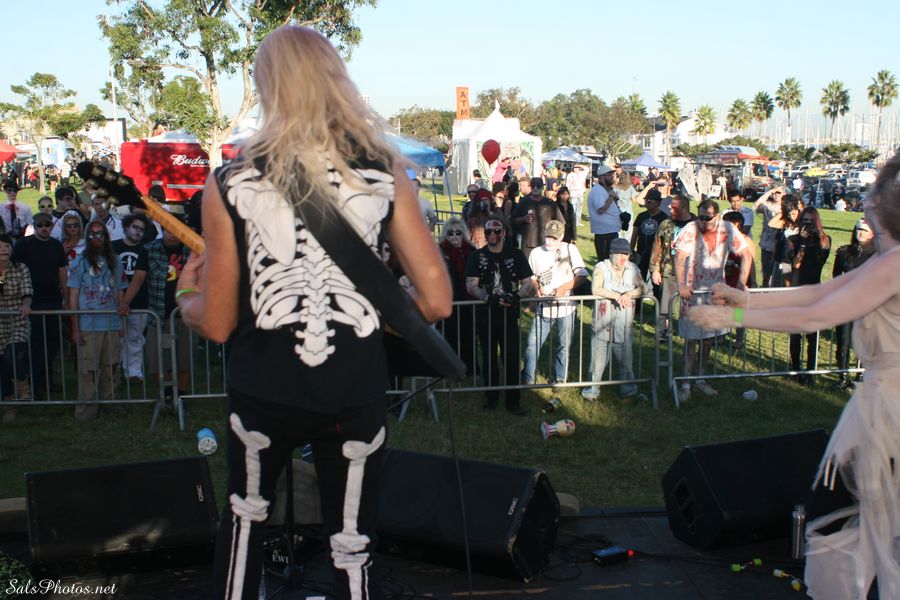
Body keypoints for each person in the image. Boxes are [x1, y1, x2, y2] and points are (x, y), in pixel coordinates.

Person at [173, 26, 451, 600]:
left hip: (262, 392)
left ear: (267, 87)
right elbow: (436, 301)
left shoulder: (230, 183)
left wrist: (184, 298)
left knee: (246, 518)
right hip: (354, 392)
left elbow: (217, 322)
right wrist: (373, 310)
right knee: (353, 540)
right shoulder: (384, 174)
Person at [689, 152, 900, 600]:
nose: (865, 198)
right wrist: (746, 298)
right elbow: (819, 293)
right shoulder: (887, 260)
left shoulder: (894, 263)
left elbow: (816, 316)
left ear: (883, 204)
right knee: (854, 519)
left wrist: (732, 318)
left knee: (839, 520)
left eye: (872, 191)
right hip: (881, 402)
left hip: (891, 408)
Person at [674, 199, 751, 400]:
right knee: (691, 340)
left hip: (715, 294)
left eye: (707, 218)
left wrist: (741, 283)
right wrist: (681, 284)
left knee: (708, 341)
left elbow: (746, 254)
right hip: (692, 294)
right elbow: (679, 257)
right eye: (700, 217)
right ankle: (686, 383)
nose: (703, 221)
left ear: (717, 216)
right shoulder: (691, 229)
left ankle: (701, 379)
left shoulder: (728, 229)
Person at [465, 218, 533, 415]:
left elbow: (527, 282)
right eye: (488, 231)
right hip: (486, 315)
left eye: (496, 230)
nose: (492, 234)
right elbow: (471, 285)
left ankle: (513, 401)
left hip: (509, 316)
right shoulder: (476, 256)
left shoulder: (516, 255)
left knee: (511, 358)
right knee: (488, 358)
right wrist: (488, 298)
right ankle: (491, 398)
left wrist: (516, 296)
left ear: (504, 233)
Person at [67, 221, 128, 421]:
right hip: (88, 325)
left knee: (111, 367)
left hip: (111, 323)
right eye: (92, 234)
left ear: (106, 237)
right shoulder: (80, 262)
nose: (96, 238)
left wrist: (121, 324)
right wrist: (75, 328)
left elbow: (120, 292)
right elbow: (73, 297)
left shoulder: (115, 261)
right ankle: (87, 409)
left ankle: (111, 404)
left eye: (100, 234)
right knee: (88, 369)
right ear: (87, 237)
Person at [522, 220, 587, 387]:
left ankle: (560, 379)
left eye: (554, 238)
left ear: (562, 236)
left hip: (566, 307)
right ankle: (528, 378)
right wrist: (537, 289)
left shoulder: (570, 249)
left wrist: (563, 288)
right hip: (544, 307)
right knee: (532, 344)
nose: (550, 241)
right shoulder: (536, 252)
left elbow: (581, 275)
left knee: (564, 345)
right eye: (548, 237)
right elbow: (532, 276)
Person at [581, 237, 646, 401]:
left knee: (626, 361)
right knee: (597, 362)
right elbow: (596, 289)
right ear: (611, 254)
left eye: (626, 254)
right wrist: (617, 296)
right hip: (602, 325)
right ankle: (591, 391)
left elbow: (643, 288)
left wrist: (629, 294)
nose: (624, 258)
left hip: (623, 325)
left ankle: (628, 390)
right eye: (620, 254)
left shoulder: (633, 269)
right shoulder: (601, 267)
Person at [12, 212, 67, 398]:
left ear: (52, 226)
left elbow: (62, 272)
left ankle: (46, 381)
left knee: (52, 344)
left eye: (47, 225)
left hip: (53, 301)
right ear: (34, 226)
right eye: (40, 225)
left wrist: (66, 298)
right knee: (35, 345)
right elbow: (14, 269)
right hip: (31, 302)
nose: (44, 228)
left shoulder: (56, 245)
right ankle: (32, 385)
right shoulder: (23, 244)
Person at [144, 210, 194, 404]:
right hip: (158, 314)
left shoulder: (193, 251)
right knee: (155, 360)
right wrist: (125, 302)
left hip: (185, 314)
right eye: (168, 230)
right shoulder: (150, 250)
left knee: (185, 359)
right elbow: (139, 278)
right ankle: (166, 393)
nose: (172, 235)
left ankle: (180, 394)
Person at [786, 207, 831, 384]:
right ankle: (796, 369)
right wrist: (803, 243)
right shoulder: (793, 240)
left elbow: (820, 262)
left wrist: (816, 239)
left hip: (814, 291)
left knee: (813, 335)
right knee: (795, 334)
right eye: (804, 221)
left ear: (817, 222)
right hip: (797, 291)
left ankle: (811, 371)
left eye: (811, 222)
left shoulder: (825, 240)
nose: (808, 225)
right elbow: (796, 264)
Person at [832, 218, 874, 388]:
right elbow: (836, 277)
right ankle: (843, 376)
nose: (860, 233)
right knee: (843, 340)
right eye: (858, 229)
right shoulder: (844, 252)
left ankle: (861, 375)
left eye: (864, 230)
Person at [649, 195, 695, 339]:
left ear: (684, 208)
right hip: (669, 269)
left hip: (691, 272)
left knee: (690, 305)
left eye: (674, 208)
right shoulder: (666, 224)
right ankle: (663, 331)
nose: (670, 210)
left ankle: (690, 332)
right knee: (665, 304)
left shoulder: (696, 224)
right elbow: (657, 247)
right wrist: (655, 269)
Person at [0, 234, 33, 424]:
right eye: (0, 246)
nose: (4, 249)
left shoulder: (21, 268)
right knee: (2, 366)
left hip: (18, 321)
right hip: (0, 324)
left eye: (7, 246)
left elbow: (27, 292)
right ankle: (9, 405)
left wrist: (26, 305)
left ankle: (23, 385)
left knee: (10, 355)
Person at [114, 215, 151, 382]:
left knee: (135, 338)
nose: (138, 232)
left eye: (142, 229)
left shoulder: (147, 249)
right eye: (135, 227)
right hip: (115, 300)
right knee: (117, 339)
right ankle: (115, 372)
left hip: (140, 300)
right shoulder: (113, 247)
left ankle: (133, 373)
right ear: (126, 227)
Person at [438, 217, 476, 374]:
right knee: (449, 336)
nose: (454, 236)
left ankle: (471, 369)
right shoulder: (440, 252)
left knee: (468, 335)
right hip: (449, 302)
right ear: (445, 235)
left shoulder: (471, 252)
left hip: (468, 301)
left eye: (458, 233)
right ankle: (451, 370)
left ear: (463, 234)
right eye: (450, 233)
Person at [511, 177, 564, 258]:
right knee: (527, 265)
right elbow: (512, 220)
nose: (535, 188)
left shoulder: (549, 203)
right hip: (528, 244)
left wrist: (557, 239)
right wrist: (523, 218)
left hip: (546, 243)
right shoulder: (524, 201)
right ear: (530, 187)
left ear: (542, 187)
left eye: (538, 186)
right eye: (533, 186)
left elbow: (561, 222)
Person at [630, 189, 667, 281]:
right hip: (641, 253)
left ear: (658, 202)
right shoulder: (641, 216)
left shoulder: (664, 218)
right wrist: (631, 251)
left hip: (656, 256)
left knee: (656, 282)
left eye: (650, 201)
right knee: (638, 281)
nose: (647, 202)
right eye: (646, 200)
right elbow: (634, 234)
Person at [587, 165, 621, 262]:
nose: (611, 177)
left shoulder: (605, 189)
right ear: (601, 177)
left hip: (610, 231)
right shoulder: (597, 190)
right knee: (605, 261)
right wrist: (611, 197)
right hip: (604, 233)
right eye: (608, 175)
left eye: (612, 175)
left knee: (610, 260)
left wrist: (614, 198)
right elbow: (601, 209)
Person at [754, 186, 784, 287]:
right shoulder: (767, 205)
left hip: (781, 242)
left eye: (778, 192)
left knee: (782, 270)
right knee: (766, 270)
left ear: (784, 193)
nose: (776, 195)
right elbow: (756, 205)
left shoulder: (787, 205)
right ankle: (765, 288)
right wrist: (770, 191)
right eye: (774, 193)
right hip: (767, 242)